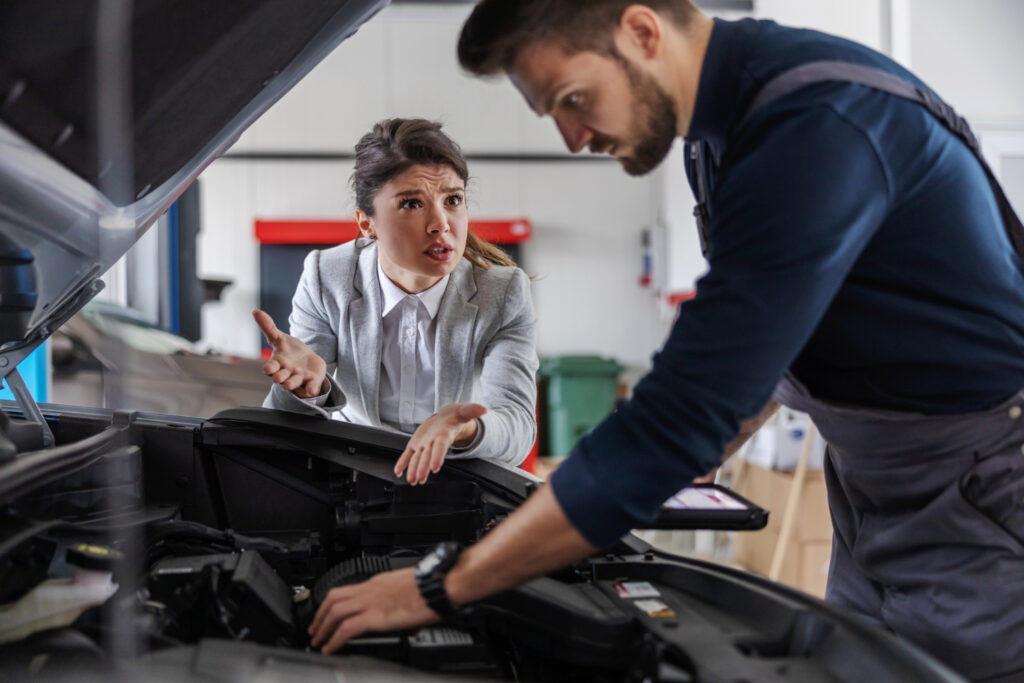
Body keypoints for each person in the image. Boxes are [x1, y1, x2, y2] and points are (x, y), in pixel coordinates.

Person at [308, 3, 1024, 679]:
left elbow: (683, 412)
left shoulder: (816, 127)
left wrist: (440, 587)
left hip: (981, 498)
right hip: (870, 493)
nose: (572, 138)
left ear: (642, 32)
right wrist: (657, 459)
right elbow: (759, 348)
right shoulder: (718, 141)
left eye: (572, 98)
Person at [257, 117, 538, 484]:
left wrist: (465, 429)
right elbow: (287, 426)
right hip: (353, 476)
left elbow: (517, 428)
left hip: (456, 478)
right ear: (366, 223)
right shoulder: (327, 276)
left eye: (452, 200)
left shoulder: (502, 293)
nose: (441, 224)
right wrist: (302, 391)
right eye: (411, 204)